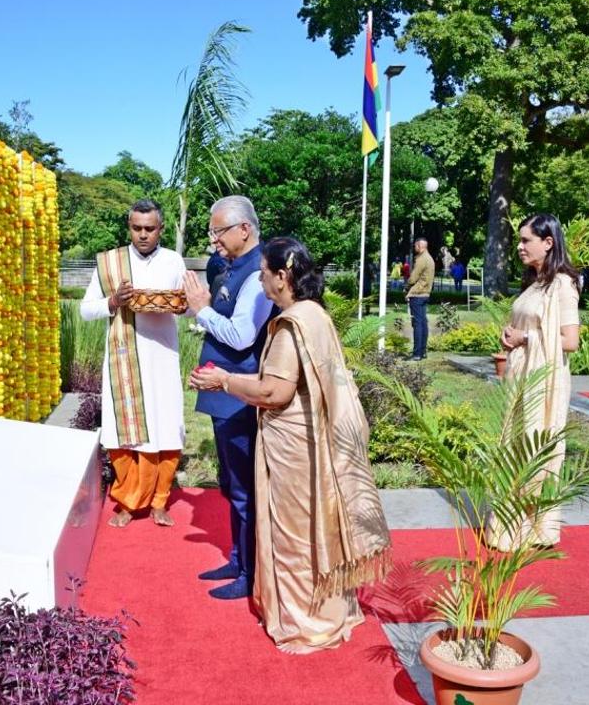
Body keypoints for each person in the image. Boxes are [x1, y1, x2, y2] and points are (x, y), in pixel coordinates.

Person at [189, 237, 391, 654]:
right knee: (316, 528)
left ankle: (305, 619)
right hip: (311, 441)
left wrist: (223, 381)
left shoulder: (290, 325)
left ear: (282, 277)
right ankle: (327, 607)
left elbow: (273, 393)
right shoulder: (314, 314)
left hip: (294, 450)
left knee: (295, 534)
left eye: (264, 272)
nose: (260, 279)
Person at [182, 195, 276, 599]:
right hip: (222, 391)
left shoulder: (259, 273)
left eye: (218, 231)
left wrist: (202, 310)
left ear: (244, 229)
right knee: (232, 483)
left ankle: (252, 573)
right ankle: (237, 558)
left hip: (240, 392)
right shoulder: (229, 266)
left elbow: (241, 336)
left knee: (245, 487)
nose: (213, 239)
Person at [80, 200, 187, 528]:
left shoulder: (173, 260)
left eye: (149, 229)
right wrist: (113, 301)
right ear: (129, 227)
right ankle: (128, 502)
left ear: (161, 229)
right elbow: (86, 310)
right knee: (122, 435)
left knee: (166, 429)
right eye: (137, 228)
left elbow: (189, 304)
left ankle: (159, 501)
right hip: (123, 361)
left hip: (163, 359)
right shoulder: (110, 262)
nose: (143, 234)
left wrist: (182, 306)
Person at [490, 214, 581, 551]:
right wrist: (511, 336)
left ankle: (536, 526)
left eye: (526, 240)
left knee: (534, 446)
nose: (519, 246)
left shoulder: (562, 285)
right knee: (514, 444)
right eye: (519, 240)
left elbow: (570, 340)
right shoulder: (535, 283)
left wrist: (525, 338)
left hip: (544, 380)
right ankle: (511, 523)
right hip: (521, 375)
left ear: (548, 242)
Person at [406, 237, 436, 361]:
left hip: (417, 294)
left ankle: (417, 353)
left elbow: (413, 278)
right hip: (425, 293)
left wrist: (407, 285)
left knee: (417, 324)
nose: (414, 248)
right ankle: (422, 352)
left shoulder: (421, 259)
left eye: (415, 246)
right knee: (423, 323)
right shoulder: (430, 258)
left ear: (419, 246)